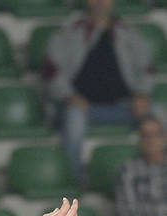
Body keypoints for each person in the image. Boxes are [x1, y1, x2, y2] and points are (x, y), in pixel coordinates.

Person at [43, 0, 152, 182]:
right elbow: (51, 71)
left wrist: (142, 94)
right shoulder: (70, 31)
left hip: (122, 107)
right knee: (74, 120)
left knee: (158, 114)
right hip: (82, 108)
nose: (101, 2)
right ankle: (73, 183)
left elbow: (147, 69)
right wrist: (69, 96)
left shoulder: (127, 32)